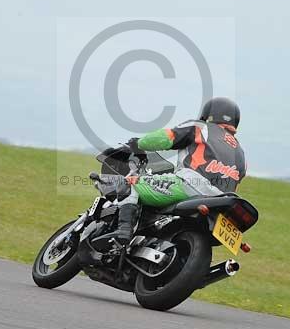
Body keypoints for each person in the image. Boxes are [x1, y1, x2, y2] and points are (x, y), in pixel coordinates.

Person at [98, 96, 246, 246]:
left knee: (129, 183)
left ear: (208, 114)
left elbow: (167, 138)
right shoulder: (241, 153)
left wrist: (137, 144)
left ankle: (123, 232)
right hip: (219, 202)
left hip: (189, 185)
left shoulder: (201, 127)